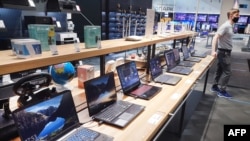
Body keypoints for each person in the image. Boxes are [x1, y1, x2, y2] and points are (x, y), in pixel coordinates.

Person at [210, 8, 240, 98]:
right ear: (231, 15)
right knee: (228, 72)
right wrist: (213, 51)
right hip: (224, 52)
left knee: (219, 70)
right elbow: (215, 37)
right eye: (237, 15)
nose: (239, 17)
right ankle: (222, 91)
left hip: (224, 52)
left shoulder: (230, 26)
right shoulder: (226, 26)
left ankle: (214, 86)